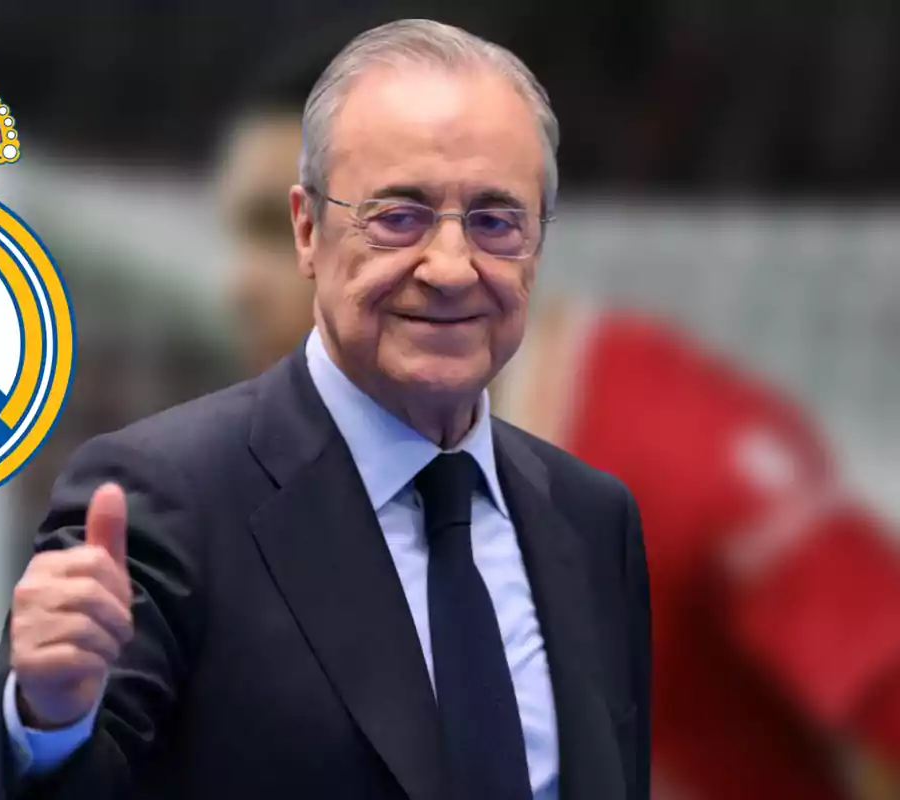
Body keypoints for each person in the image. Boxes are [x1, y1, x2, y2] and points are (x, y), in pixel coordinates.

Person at [0, 19, 651, 800]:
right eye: (399, 217)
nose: (452, 267)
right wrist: (45, 720)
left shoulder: (591, 519)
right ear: (307, 230)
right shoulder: (167, 496)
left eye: (494, 221)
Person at [217, 23, 900, 800]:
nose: (238, 284)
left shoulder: (671, 449)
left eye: (282, 232)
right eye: (255, 231)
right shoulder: (268, 499)